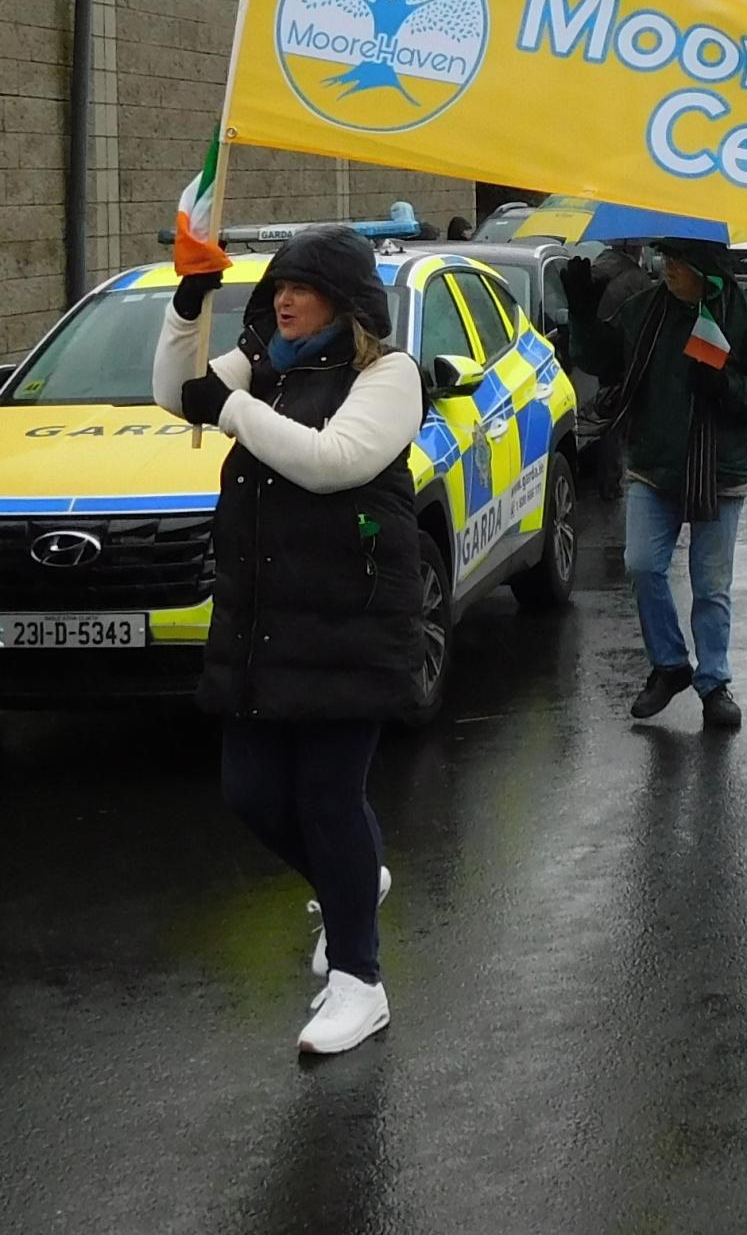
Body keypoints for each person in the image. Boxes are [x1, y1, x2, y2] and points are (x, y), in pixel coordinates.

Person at [152, 227, 426, 1057]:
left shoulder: (389, 374)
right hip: (265, 624)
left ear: (343, 300)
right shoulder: (266, 361)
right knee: (251, 793)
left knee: (329, 797)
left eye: (300, 287)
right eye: (277, 286)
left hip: (350, 623)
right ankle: (354, 881)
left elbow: (331, 460)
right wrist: (190, 300)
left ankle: (359, 983)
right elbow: (175, 393)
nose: (283, 299)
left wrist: (230, 407)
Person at [564, 238, 747, 728]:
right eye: (664, 258)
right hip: (654, 466)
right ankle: (669, 665)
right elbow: (602, 358)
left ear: (704, 268)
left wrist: (727, 386)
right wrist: (582, 311)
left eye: (677, 260)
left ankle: (714, 683)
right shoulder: (645, 310)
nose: (666, 268)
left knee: (710, 586)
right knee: (642, 565)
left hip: (720, 472)